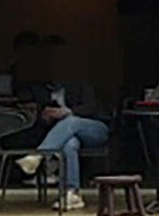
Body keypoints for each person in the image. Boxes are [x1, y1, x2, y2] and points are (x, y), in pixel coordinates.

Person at [12, 77, 109, 207]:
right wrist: (46, 119)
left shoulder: (80, 85)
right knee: (70, 145)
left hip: (95, 128)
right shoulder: (42, 93)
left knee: (71, 121)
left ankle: (39, 154)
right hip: (67, 135)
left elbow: (92, 107)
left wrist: (67, 112)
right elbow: (41, 125)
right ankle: (72, 193)